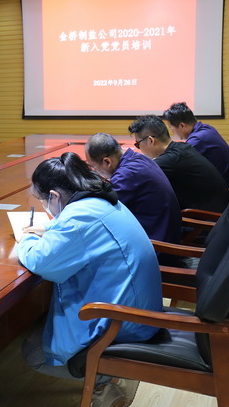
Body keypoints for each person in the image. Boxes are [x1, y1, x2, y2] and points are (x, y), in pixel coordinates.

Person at [18, 152, 162, 407]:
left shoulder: (78, 218)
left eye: (42, 200)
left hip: (124, 324)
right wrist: (50, 228)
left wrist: (27, 239)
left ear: (54, 196)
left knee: (34, 353)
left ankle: (106, 378)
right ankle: (109, 377)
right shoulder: (99, 201)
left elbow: (42, 262)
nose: (44, 206)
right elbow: (81, 232)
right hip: (140, 310)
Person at [85, 132, 181, 244]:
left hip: (158, 243)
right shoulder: (138, 158)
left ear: (107, 161)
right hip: (166, 231)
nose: (96, 172)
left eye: (94, 167)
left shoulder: (126, 175)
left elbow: (100, 209)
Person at [128, 115, 228, 213]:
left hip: (208, 218)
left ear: (151, 140)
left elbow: (135, 176)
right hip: (220, 211)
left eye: (137, 144)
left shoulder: (170, 160)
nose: (139, 148)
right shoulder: (182, 147)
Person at [162, 102, 229, 185]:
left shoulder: (197, 140)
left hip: (222, 186)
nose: (172, 131)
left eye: (171, 127)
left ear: (182, 125)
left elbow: (175, 162)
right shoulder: (207, 128)